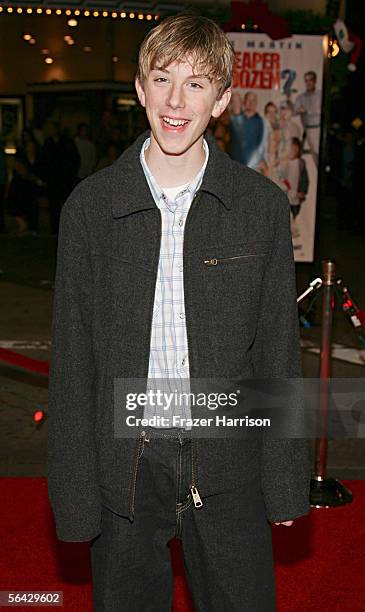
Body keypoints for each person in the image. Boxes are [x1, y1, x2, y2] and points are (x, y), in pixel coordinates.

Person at [48, 13, 310, 612]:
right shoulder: (91, 208)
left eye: (195, 84)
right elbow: (74, 362)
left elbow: (276, 351)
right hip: (124, 460)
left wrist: (286, 483)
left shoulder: (258, 207)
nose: (174, 100)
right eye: (161, 79)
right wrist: (74, 493)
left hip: (228, 454)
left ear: (220, 100)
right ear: (139, 89)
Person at [40, 120, 80, 235]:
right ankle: (55, 229)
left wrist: (71, 174)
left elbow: (74, 159)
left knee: (67, 204)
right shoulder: (48, 143)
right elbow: (44, 161)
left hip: (65, 179)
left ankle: (70, 228)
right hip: (53, 180)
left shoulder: (66, 142)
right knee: (54, 206)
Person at [229, 90, 266, 168]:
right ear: (244, 102)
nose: (251, 103)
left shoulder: (259, 121)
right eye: (249, 100)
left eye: (253, 100)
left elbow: (261, 144)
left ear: (256, 103)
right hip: (233, 164)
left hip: (252, 166)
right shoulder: (234, 118)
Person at [294, 71, 322, 167]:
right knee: (315, 155)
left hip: (319, 128)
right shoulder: (301, 97)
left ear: (315, 81)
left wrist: (307, 111)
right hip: (308, 129)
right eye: (306, 80)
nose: (308, 82)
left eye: (310, 80)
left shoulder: (320, 95)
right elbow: (294, 111)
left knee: (319, 154)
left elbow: (320, 111)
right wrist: (298, 110)